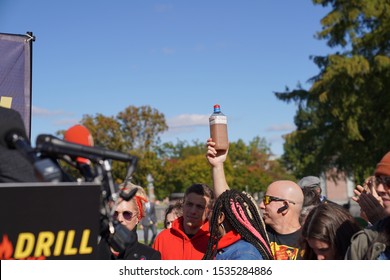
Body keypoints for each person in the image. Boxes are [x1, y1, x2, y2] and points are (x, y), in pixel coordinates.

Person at [206, 138, 304, 260]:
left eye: (267, 200)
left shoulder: (311, 241)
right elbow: (227, 201)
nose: (261, 205)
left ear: (285, 206)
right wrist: (218, 165)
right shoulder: (257, 231)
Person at [203, 189, 273, 260]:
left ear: (220, 217)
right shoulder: (221, 247)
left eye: (212, 211)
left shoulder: (245, 255)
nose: (208, 216)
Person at [98, 181, 161, 260]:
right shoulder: (90, 253)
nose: (119, 219)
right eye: (114, 213)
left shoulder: (151, 257)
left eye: (127, 214)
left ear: (138, 217)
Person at [152, 183, 214, 259]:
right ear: (183, 205)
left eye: (199, 207)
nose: (193, 211)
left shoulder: (214, 241)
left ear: (209, 211)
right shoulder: (163, 239)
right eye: (189, 204)